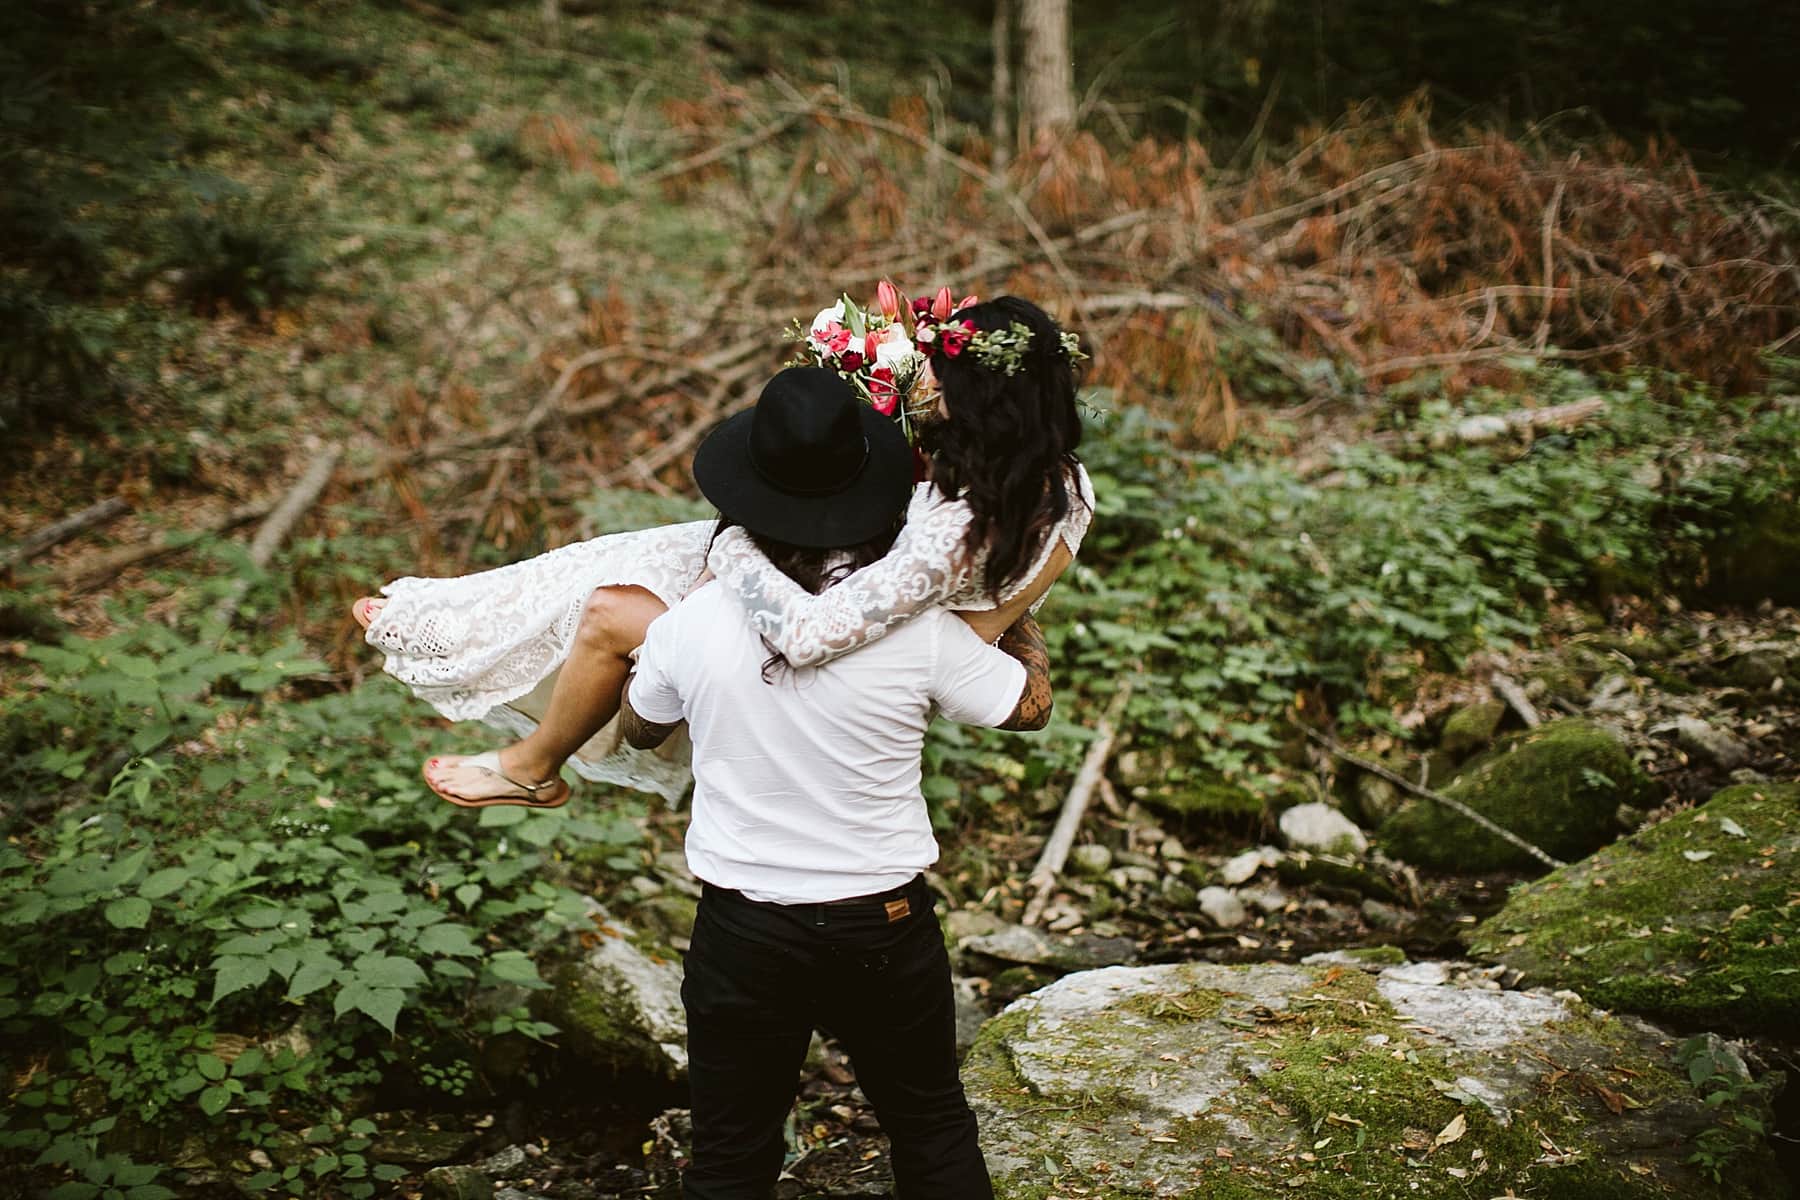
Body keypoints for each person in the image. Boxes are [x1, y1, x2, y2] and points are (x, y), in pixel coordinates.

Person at [353, 295, 1091, 807]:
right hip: (865, 593)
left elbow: (810, 635)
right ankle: (453, 613)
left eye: (938, 367)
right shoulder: (1057, 481)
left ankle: (530, 764)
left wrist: (736, 542)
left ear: (984, 401)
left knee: (614, 608)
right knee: (633, 557)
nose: (924, 370)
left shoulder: (960, 529)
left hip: (851, 641)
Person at [619, 364, 1048, 1198]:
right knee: (929, 1123)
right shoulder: (920, 630)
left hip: (743, 931)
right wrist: (1014, 606)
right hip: (881, 925)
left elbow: (641, 727)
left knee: (730, 1157)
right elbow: (1027, 708)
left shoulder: (690, 624)